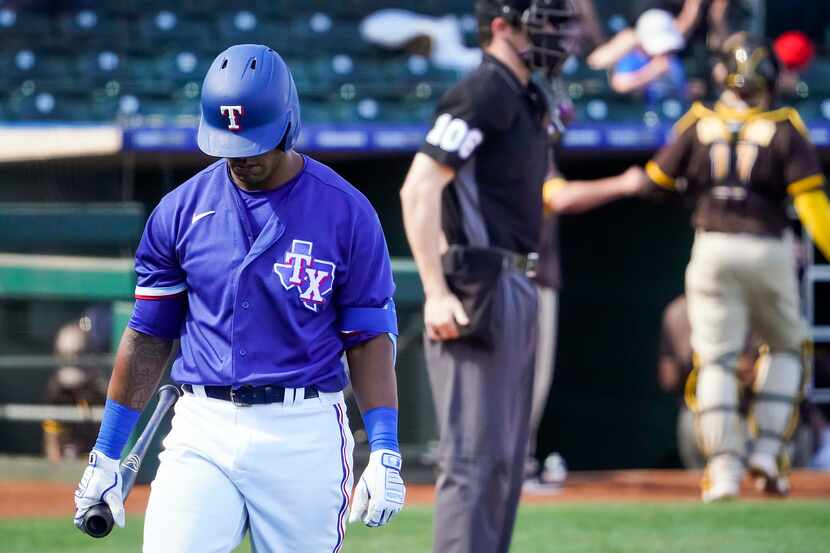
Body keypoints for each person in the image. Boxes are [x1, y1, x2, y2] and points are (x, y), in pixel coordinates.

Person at [72, 44, 405, 552]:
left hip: (303, 429)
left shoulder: (347, 212)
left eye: (254, 142)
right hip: (202, 425)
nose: (241, 155)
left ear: (287, 125)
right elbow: (148, 336)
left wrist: (384, 448)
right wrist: (106, 453)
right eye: (228, 141)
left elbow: (367, 338)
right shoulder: (179, 211)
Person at [400, 2, 642, 550]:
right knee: (473, 458)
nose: (559, 35)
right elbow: (418, 189)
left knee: (506, 460)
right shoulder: (483, 90)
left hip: (519, 279)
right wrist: (436, 291)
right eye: (545, 23)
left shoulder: (526, 94)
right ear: (502, 27)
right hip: (480, 281)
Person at [624, 33, 830, 501]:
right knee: (785, 347)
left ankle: (723, 472)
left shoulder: (698, 123)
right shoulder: (784, 125)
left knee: (714, 357)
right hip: (767, 246)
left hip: (712, 246)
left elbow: (656, 180)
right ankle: (766, 451)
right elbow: (813, 205)